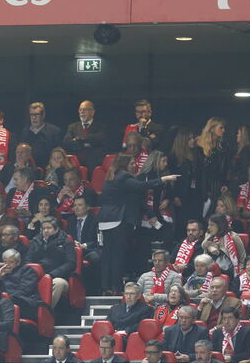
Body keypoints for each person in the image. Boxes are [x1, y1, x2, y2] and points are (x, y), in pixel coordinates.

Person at [99, 154, 179, 293]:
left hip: (106, 220)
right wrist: (164, 179)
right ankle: (116, 288)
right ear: (124, 164)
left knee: (108, 255)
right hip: (118, 220)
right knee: (117, 255)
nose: (134, 165)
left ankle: (106, 287)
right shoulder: (123, 177)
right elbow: (143, 186)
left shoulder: (111, 177)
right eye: (131, 163)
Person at [0, 249, 41, 321]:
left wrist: (8, 297)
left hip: (25, 303)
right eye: (5, 262)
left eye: (11, 262)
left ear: (18, 263)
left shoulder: (27, 270)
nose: (7, 265)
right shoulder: (3, 274)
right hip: (8, 303)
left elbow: (25, 290)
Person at [62, 101, 107, 170]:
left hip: (94, 164)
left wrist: (79, 139)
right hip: (76, 166)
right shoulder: (72, 127)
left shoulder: (101, 127)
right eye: (80, 110)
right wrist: (86, 144)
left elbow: (99, 139)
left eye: (85, 109)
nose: (82, 112)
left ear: (92, 112)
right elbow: (66, 143)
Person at [19, 102, 62, 168]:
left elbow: (59, 153)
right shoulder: (25, 132)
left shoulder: (54, 132)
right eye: (31, 115)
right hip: (28, 169)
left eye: (37, 114)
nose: (34, 117)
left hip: (48, 168)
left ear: (43, 115)